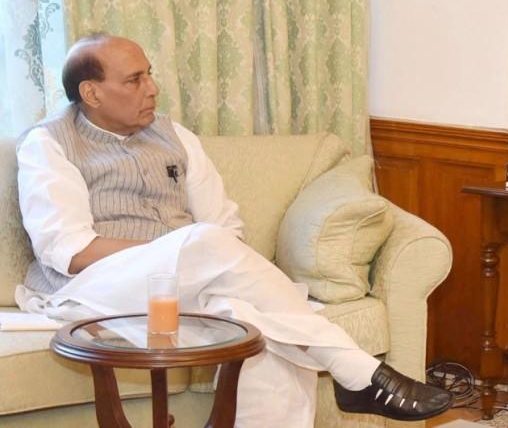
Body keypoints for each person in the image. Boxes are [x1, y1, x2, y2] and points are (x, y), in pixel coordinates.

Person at [15, 34, 452, 427]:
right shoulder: (50, 143)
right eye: (134, 80)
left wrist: (194, 259)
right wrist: (178, 251)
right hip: (92, 288)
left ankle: (346, 377)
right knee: (205, 241)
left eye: (149, 74)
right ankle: (356, 371)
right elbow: (71, 251)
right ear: (91, 92)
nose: (152, 88)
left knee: (257, 327)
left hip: (187, 283)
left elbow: (224, 224)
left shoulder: (174, 135)